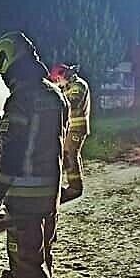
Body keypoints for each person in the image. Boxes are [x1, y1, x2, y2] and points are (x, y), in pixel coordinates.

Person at [0, 31, 67, 278]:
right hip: (49, 193)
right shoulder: (54, 95)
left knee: (25, 262)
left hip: (25, 198)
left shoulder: (20, 100)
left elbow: (14, 156)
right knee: (41, 255)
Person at [48, 63, 90, 200]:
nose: (57, 83)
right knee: (70, 155)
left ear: (63, 75)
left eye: (57, 79)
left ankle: (75, 188)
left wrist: (56, 99)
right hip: (71, 128)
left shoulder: (79, 85)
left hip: (77, 128)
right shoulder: (68, 86)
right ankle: (75, 185)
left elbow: (72, 102)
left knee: (70, 155)